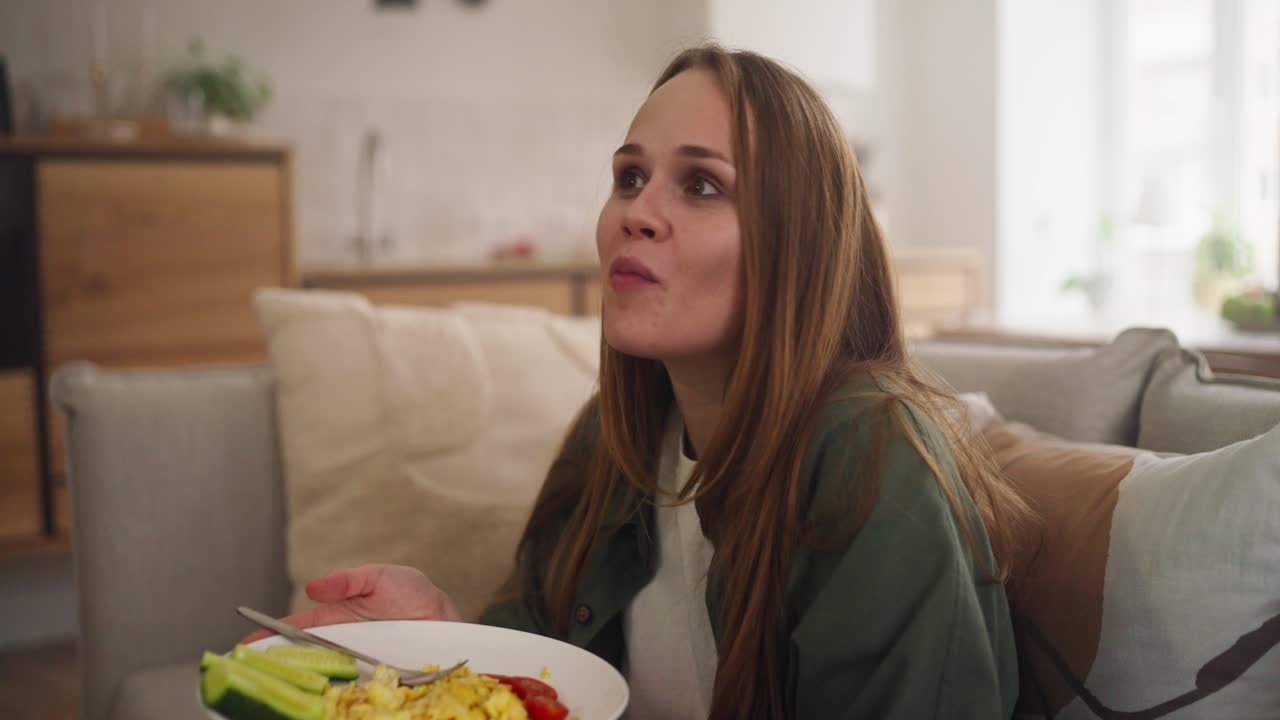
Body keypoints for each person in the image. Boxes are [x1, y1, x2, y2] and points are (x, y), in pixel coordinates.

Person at [247, 45, 1033, 719]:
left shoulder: (874, 456)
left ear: (800, 240)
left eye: (701, 185)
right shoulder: (613, 436)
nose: (636, 212)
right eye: (629, 177)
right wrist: (443, 640)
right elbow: (545, 664)